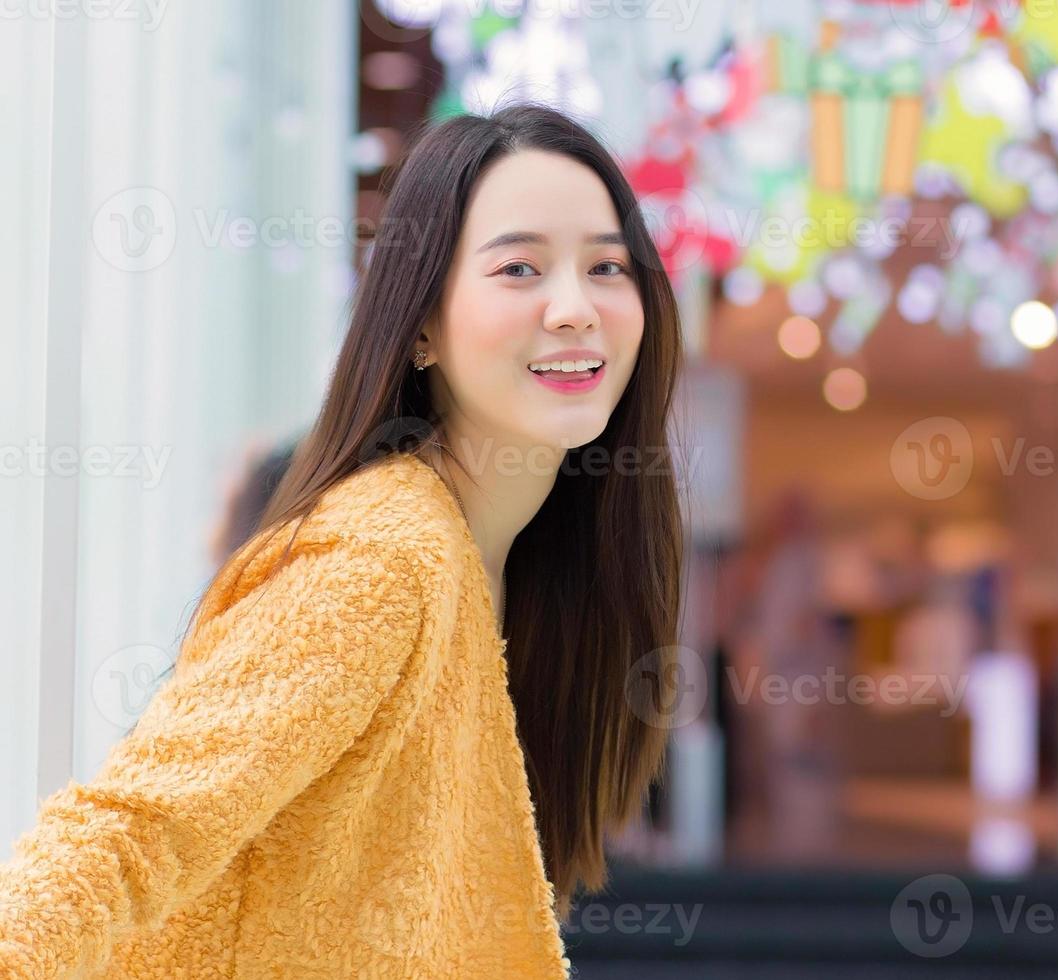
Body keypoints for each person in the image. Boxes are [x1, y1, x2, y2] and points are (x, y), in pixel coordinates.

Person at [0, 102, 685, 978]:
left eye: (607, 267)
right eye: (519, 267)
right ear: (424, 327)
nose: (573, 307)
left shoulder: (510, 567)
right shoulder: (383, 558)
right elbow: (134, 827)